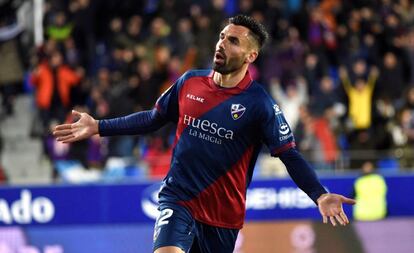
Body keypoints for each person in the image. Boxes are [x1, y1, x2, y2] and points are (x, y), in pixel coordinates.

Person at [53, 15, 356, 253]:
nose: (221, 44)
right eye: (222, 37)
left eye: (233, 41)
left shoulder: (259, 104)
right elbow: (153, 118)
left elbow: (288, 153)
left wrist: (319, 194)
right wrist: (99, 126)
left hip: (223, 216)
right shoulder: (190, 82)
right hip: (179, 197)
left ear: (251, 56)